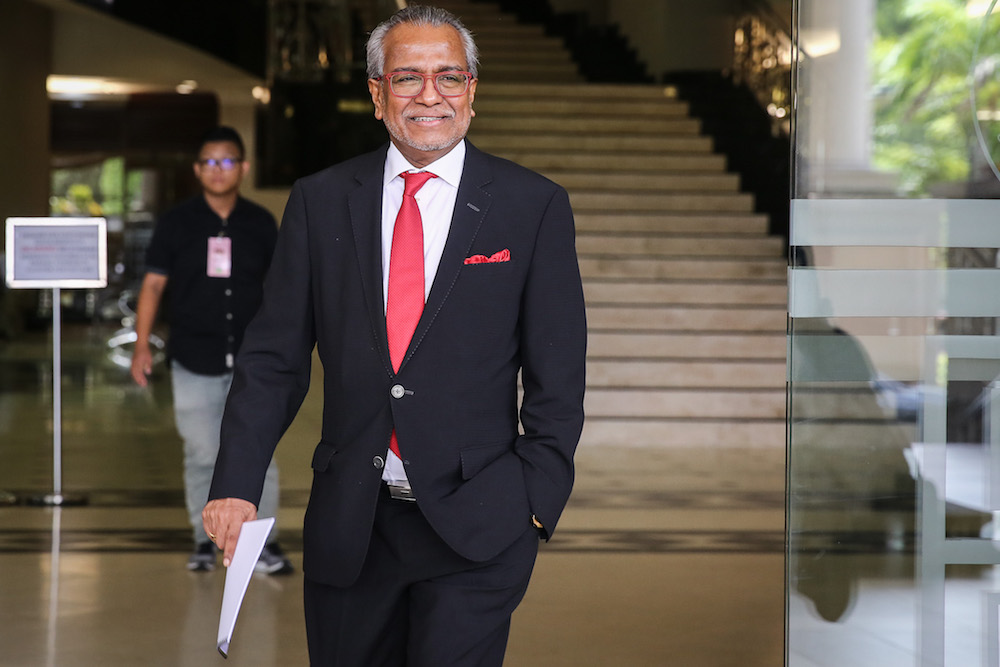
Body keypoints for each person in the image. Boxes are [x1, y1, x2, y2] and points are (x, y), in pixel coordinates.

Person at [204, 5, 586, 664]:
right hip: (353, 519)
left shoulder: (531, 205)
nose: (430, 95)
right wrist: (237, 481)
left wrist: (533, 499)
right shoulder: (321, 200)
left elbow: (558, 370)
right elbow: (274, 358)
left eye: (450, 77)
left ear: (473, 91)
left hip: (478, 520)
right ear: (377, 95)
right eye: (408, 78)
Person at [131, 126, 292, 574]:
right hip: (193, 358)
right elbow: (154, 284)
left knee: (260, 452)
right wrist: (142, 345)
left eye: (227, 162)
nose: (218, 170)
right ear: (197, 170)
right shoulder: (176, 223)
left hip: (253, 362)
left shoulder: (260, 223)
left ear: (242, 168)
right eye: (209, 162)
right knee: (203, 452)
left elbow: (279, 291)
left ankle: (262, 543)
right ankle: (205, 540)